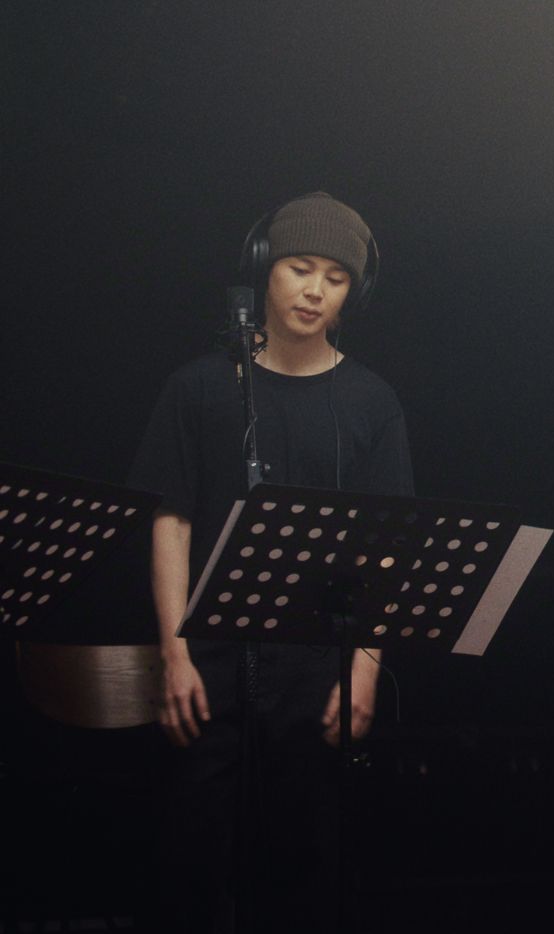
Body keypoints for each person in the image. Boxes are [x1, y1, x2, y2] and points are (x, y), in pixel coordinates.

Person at [130, 191, 413, 933]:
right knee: (191, 875)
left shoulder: (372, 402)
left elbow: (386, 547)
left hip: (318, 676)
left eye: (335, 277)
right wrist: (175, 652)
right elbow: (171, 520)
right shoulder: (198, 387)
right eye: (299, 267)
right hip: (211, 670)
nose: (315, 289)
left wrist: (365, 667)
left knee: (308, 882)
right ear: (265, 270)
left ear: (355, 291)